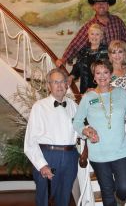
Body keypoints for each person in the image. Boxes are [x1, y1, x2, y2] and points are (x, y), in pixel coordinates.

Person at [73, 60, 126, 206]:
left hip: (120, 152)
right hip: (98, 154)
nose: (102, 76)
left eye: (105, 72)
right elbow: (77, 122)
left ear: (111, 74)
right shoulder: (88, 97)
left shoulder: (121, 93)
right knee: (107, 192)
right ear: (94, 77)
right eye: (98, 73)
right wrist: (86, 130)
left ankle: (119, 202)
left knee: (125, 188)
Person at [24, 68, 79, 206]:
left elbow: (80, 130)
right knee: (44, 199)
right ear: (49, 85)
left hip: (70, 156)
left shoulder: (74, 105)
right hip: (48, 156)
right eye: (55, 82)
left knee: (64, 197)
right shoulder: (39, 107)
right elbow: (30, 141)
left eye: (62, 82)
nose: (60, 85)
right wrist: (42, 165)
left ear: (67, 84)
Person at [56, 0, 126, 66]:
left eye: (104, 3)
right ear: (94, 6)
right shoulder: (89, 26)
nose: (101, 5)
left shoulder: (117, 21)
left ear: (108, 5)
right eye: (98, 3)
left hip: (116, 65)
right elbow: (76, 44)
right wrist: (64, 59)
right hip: (99, 69)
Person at [68, 23, 108, 94]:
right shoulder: (83, 51)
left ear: (101, 37)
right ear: (88, 36)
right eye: (92, 34)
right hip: (85, 90)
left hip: (102, 90)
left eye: (97, 34)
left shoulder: (107, 51)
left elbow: (110, 72)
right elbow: (77, 67)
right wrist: (71, 77)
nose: (94, 37)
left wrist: (97, 90)